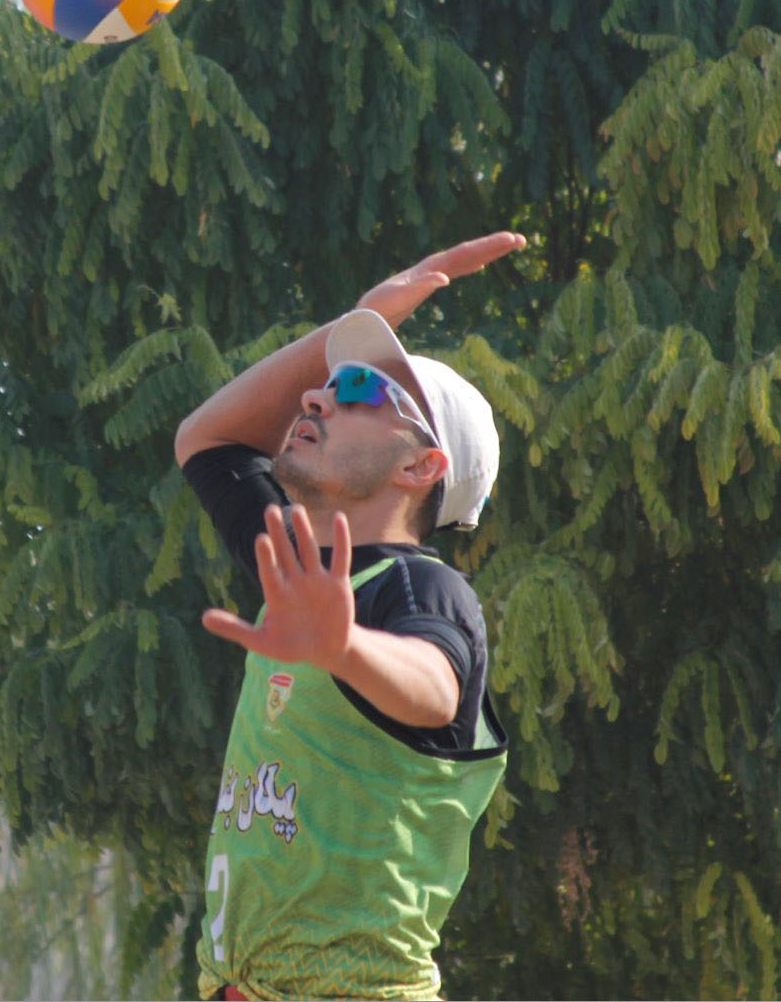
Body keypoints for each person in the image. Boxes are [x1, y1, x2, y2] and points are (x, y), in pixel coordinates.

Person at [175, 231, 528, 1002]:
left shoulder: (423, 590)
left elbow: (435, 688)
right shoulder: (306, 573)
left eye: (360, 388)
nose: (316, 396)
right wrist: (352, 323)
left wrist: (344, 646)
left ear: (421, 464)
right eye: (328, 383)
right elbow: (208, 441)